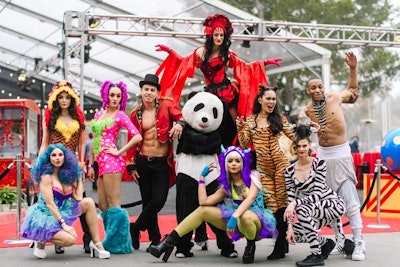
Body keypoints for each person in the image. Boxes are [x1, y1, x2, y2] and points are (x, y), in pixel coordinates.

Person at [155, 13, 281, 147]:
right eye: (216, 35)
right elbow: (183, 62)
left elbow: (245, 67)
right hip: (209, 93)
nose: (219, 38)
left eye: (221, 35)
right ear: (211, 36)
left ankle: (241, 149)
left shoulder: (226, 53)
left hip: (226, 92)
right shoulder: (201, 52)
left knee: (238, 123)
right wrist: (170, 51)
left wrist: (266, 62)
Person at [149, 146, 277, 264]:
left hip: (255, 219)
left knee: (245, 216)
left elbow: (251, 197)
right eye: (230, 161)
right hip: (236, 219)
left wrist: (234, 217)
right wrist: (202, 178)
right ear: (225, 163)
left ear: (243, 162)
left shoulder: (253, 175)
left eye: (237, 161)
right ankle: (168, 242)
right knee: (203, 210)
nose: (233, 164)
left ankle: (250, 245)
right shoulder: (227, 185)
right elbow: (203, 202)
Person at [304, 51, 366, 261]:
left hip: (341, 154)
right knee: (328, 203)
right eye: (314, 87)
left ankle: (359, 242)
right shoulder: (307, 110)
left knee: (350, 200)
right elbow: (308, 134)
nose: (318, 89)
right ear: (308, 91)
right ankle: (340, 237)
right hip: (322, 157)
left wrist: (353, 68)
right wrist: (311, 130)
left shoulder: (335, 97)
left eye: (320, 86)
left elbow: (354, 92)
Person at [125, 73, 185, 252]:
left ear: (157, 92)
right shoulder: (136, 114)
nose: (149, 92)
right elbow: (132, 138)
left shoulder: (167, 105)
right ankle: (154, 238)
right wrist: (131, 165)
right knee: (147, 202)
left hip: (161, 164)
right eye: (146, 89)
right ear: (141, 91)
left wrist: (180, 124)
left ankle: (135, 228)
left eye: (152, 89)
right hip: (143, 162)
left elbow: (181, 115)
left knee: (158, 200)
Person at [236, 85, 295, 260]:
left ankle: (280, 245)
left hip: (281, 164)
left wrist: (310, 131)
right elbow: (245, 145)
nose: (271, 102)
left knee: (283, 202)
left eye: (273, 99)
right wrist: (240, 129)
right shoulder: (251, 120)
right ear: (260, 100)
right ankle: (281, 242)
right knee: (272, 203)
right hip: (264, 168)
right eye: (268, 98)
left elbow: (294, 136)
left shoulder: (279, 119)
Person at [21, 144, 110, 259]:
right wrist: (64, 225)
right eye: (53, 155)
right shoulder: (46, 176)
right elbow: (50, 204)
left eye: (60, 155)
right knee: (70, 240)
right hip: (46, 215)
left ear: (65, 157)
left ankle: (96, 243)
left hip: (63, 210)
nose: (57, 158)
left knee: (88, 202)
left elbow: (78, 198)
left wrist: (78, 177)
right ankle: (39, 237)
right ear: (48, 158)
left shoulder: (67, 174)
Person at [87, 80, 142, 254]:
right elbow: (95, 139)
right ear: (106, 95)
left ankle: (120, 243)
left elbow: (137, 136)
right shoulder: (99, 114)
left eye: (118, 96)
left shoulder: (120, 115)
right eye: (112, 95)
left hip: (112, 161)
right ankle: (113, 237)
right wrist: (91, 164)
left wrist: (119, 152)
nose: (115, 98)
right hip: (100, 163)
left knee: (114, 203)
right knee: (103, 204)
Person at [39, 80, 90, 254]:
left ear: (72, 98)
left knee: (80, 199)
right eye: (60, 97)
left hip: (73, 164)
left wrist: (82, 162)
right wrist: (39, 163)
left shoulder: (78, 116)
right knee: (56, 201)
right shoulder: (50, 117)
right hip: (55, 164)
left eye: (67, 97)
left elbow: (83, 142)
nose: (64, 100)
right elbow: (45, 142)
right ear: (56, 98)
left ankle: (88, 239)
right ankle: (57, 238)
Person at [284, 124, 345, 267]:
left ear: (309, 145)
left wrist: (295, 204)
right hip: (313, 210)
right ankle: (326, 243)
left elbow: (317, 194)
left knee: (302, 210)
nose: (301, 149)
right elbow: (291, 199)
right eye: (298, 146)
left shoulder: (319, 164)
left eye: (304, 146)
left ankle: (316, 255)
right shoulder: (289, 171)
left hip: (332, 204)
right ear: (294, 147)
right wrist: (290, 227)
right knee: (295, 234)